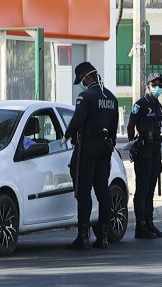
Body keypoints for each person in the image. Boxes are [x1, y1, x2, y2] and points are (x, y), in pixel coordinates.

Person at [62, 62, 119, 250]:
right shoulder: (111, 97)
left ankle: (83, 235)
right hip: (105, 148)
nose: (81, 84)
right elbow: (113, 128)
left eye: (81, 80)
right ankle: (103, 236)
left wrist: (67, 135)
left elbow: (77, 121)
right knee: (103, 191)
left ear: (86, 77)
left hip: (87, 147)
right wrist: (110, 146)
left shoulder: (85, 96)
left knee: (83, 191)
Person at [127, 73, 162, 239]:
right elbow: (131, 126)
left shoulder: (158, 105)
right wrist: (132, 145)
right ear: (148, 85)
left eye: (160, 84)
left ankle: (149, 223)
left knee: (151, 188)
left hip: (155, 149)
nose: (157, 86)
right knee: (142, 190)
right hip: (143, 150)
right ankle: (140, 226)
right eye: (154, 84)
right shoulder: (140, 105)